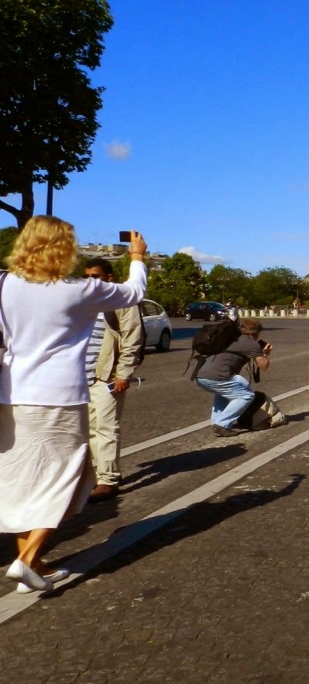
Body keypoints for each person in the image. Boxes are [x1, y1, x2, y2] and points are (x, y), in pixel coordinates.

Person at [0, 217, 148, 594]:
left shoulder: (5, 283)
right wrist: (136, 256)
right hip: (59, 396)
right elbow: (133, 293)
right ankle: (27, 558)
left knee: (23, 480)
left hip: (13, 392)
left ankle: (36, 566)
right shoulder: (80, 289)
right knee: (70, 477)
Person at [83, 258, 145, 503]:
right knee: (87, 430)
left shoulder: (120, 300)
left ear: (109, 277)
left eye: (95, 276)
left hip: (106, 375)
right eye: (86, 276)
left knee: (107, 429)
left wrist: (123, 373)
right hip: (80, 377)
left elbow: (132, 337)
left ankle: (107, 480)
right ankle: (96, 475)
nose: (90, 281)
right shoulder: (84, 301)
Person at [195, 317, 272, 437]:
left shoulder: (229, 338)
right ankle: (222, 424)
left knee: (225, 394)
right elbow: (264, 366)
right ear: (256, 332)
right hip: (218, 376)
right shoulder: (251, 343)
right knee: (246, 396)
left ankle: (217, 422)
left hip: (201, 375)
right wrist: (264, 354)